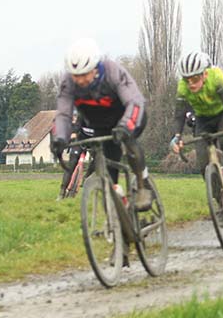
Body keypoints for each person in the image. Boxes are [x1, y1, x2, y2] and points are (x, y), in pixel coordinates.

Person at [50, 38, 152, 210]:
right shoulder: (68, 83)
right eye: (76, 76)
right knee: (109, 177)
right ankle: (121, 213)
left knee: (130, 143)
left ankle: (143, 184)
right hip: (102, 126)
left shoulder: (112, 72)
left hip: (130, 116)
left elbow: (134, 102)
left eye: (84, 74)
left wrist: (125, 126)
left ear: (95, 68)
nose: (80, 80)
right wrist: (60, 138)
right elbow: (63, 115)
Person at [170, 51, 223, 207]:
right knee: (203, 162)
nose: (191, 84)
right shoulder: (183, 87)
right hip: (203, 120)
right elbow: (179, 115)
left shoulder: (216, 77)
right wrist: (176, 136)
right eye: (187, 79)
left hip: (222, 115)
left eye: (195, 79)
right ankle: (220, 202)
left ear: (205, 75)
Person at [56, 111, 84, 200]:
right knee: (71, 164)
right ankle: (62, 191)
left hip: (94, 140)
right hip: (80, 140)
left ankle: (86, 179)